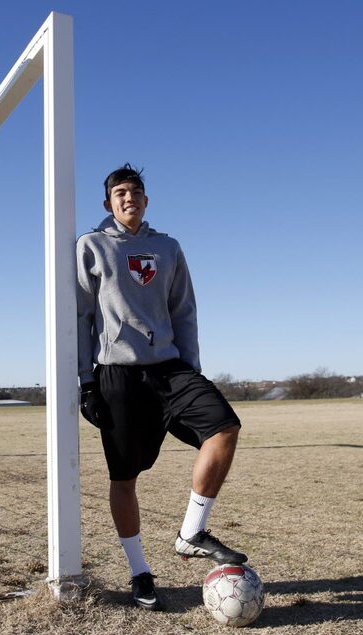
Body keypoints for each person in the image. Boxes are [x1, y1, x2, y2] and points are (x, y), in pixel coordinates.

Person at [76, 163, 247, 611]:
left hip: (171, 369)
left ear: (146, 200)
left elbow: (184, 310)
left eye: (135, 191)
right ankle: (139, 572)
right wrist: (85, 381)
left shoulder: (168, 247)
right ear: (108, 203)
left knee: (224, 427)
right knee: (124, 477)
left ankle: (191, 533)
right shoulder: (90, 246)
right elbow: (80, 317)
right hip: (117, 375)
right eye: (120, 193)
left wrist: (192, 369)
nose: (128, 198)